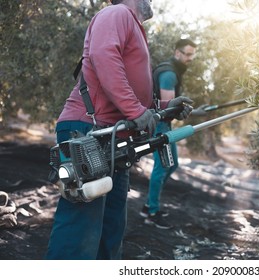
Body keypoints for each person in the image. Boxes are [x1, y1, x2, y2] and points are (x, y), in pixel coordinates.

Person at [45, 0, 192, 260]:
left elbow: (134, 95)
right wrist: (136, 111)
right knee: (80, 231)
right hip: (88, 131)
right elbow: (103, 57)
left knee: (110, 231)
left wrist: (166, 107)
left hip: (112, 138)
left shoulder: (132, 26)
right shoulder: (117, 13)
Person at [140, 38, 207, 229]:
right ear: (177, 52)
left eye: (192, 55)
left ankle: (148, 205)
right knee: (162, 167)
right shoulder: (169, 73)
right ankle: (152, 212)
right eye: (187, 54)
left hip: (165, 126)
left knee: (172, 165)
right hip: (159, 126)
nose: (190, 58)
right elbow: (168, 108)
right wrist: (196, 112)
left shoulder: (172, 70)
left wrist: (197, 111)